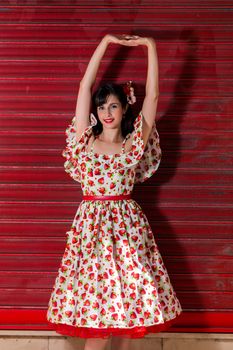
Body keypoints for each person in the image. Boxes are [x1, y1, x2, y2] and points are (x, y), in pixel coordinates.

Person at [46, 34, 182, 350]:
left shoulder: (133, 145)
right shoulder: (84, 140)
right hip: (91, 229)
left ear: (124, 110)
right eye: (102, 106)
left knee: (125, 316)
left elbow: (155, 97)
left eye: (114, 106)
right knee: (96, 316)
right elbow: (83, 87)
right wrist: (106, 42)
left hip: (126, 229)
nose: (107, 112)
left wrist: (150, 46)